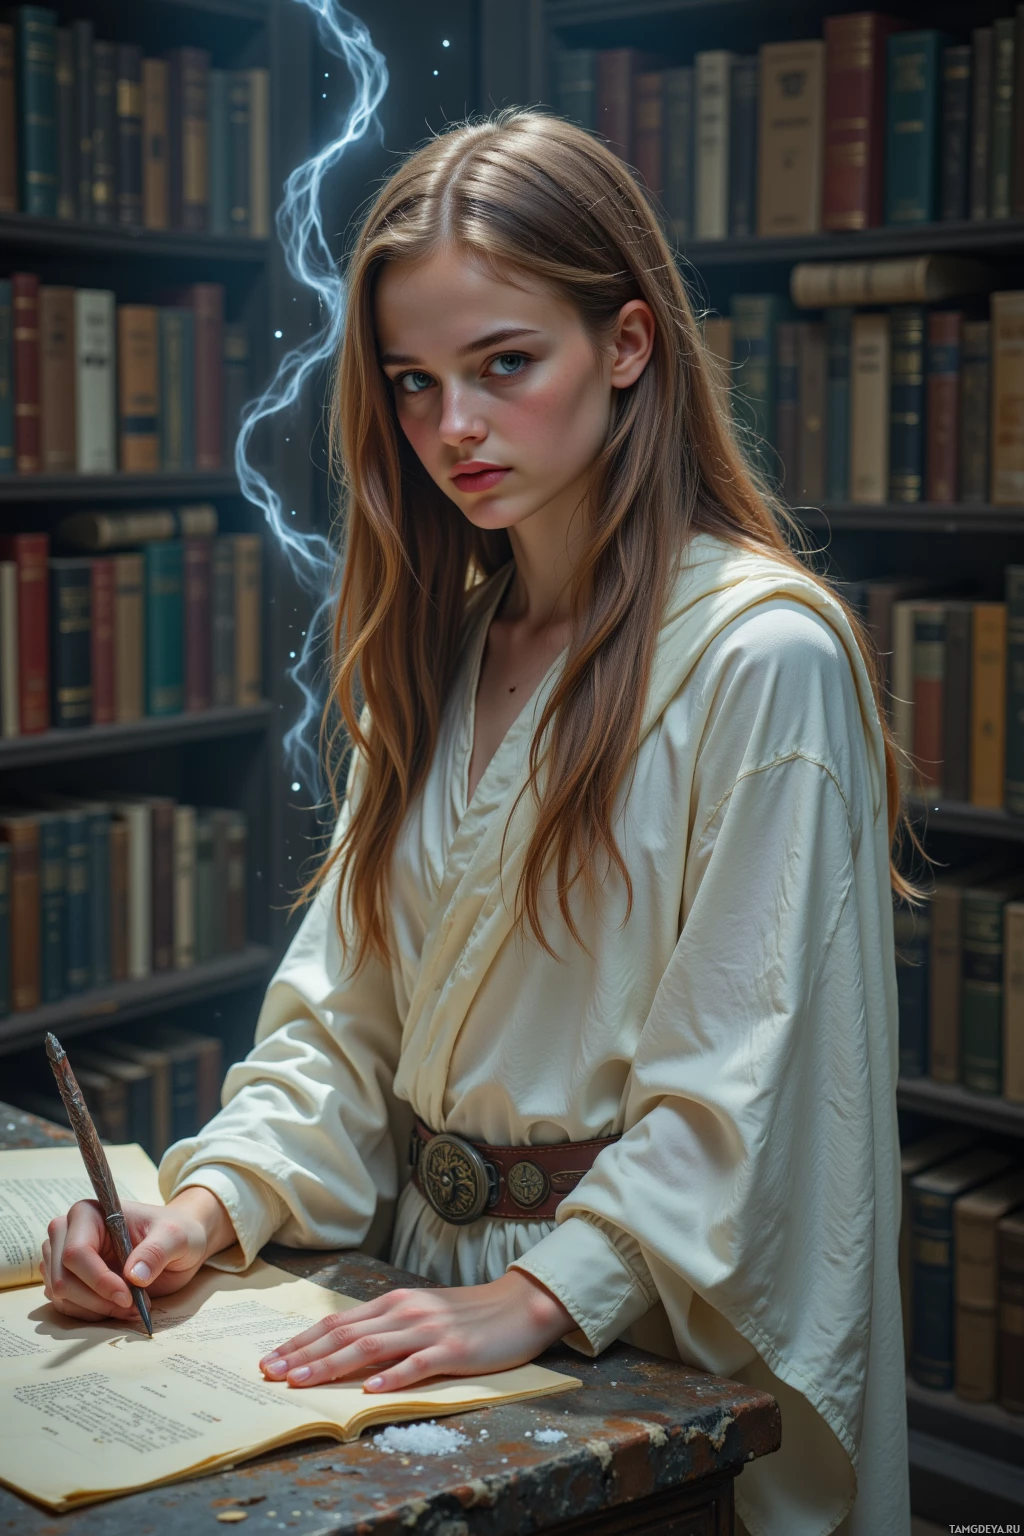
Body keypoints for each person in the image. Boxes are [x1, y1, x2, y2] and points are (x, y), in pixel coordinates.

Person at [41, 111, 911, 1535]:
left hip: (645, 1319)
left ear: (627, 344)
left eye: (506, 364)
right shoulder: (442, 646)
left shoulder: (763, 656)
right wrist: (205, 1211)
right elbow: (345, 1022)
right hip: (411, 1286)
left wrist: (539, 1294)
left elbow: (746, 1079)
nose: (454, 427)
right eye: (414, 382)